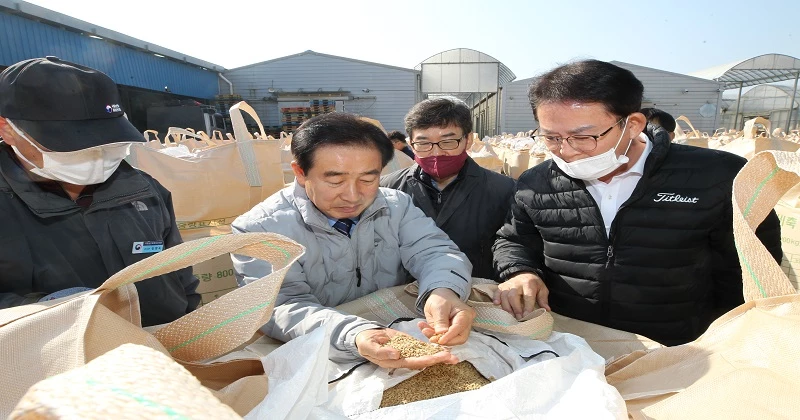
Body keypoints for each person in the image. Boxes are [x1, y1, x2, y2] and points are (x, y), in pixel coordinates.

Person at [492, 60, 782, 345]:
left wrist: (724, 341)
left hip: (679, 350)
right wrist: (520, 271)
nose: (566, 151)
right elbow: (514, 240)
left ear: (632, 124)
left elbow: (750, 269)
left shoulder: (717, 176)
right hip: (571, 343)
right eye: (552, 137)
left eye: (583, 137)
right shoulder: (536, 182)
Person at [231, 112, 475, 367]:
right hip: (318, 350)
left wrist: (443, 290)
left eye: (368, 179)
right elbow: (279, 307)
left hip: (394, 327)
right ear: (300, 173)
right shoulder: (259, 228)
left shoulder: (396, 205)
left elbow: (435, 252)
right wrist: (354, 334)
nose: (352, 196)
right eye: (335, 180)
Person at [0, 57, 199, 326]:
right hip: (60, 361)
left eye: (107, 141)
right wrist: (47, 310)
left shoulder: (145, 191)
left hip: (164, 349)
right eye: (69, 143)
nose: (94, 155)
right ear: (8, 129)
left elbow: (178, 270)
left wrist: (191, 320)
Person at [382, 97, 516, 280]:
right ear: (410, 143)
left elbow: (513, 244)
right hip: (406, 294)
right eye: (423, 143)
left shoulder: (504, 190)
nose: (436, 153)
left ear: (467, 140)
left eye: (448, 141)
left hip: (476, 292)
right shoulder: (389, 189)